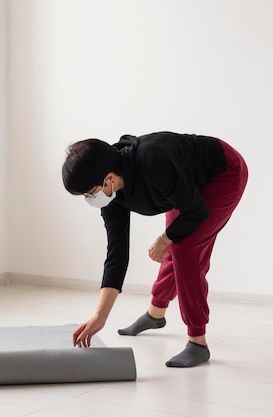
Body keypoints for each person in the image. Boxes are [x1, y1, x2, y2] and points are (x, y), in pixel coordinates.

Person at [61, 131, 248, 367]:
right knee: (175, 245)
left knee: (185, 250)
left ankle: (197, 342)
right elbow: (116, 254)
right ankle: (155, 315)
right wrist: (100, 316)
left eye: (89, 192)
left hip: (224, 173)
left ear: (108, 178)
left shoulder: (154, 161)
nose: (90, 198)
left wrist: (164, 238)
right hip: (184, 183)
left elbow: (196, 212)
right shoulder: (111, 197)